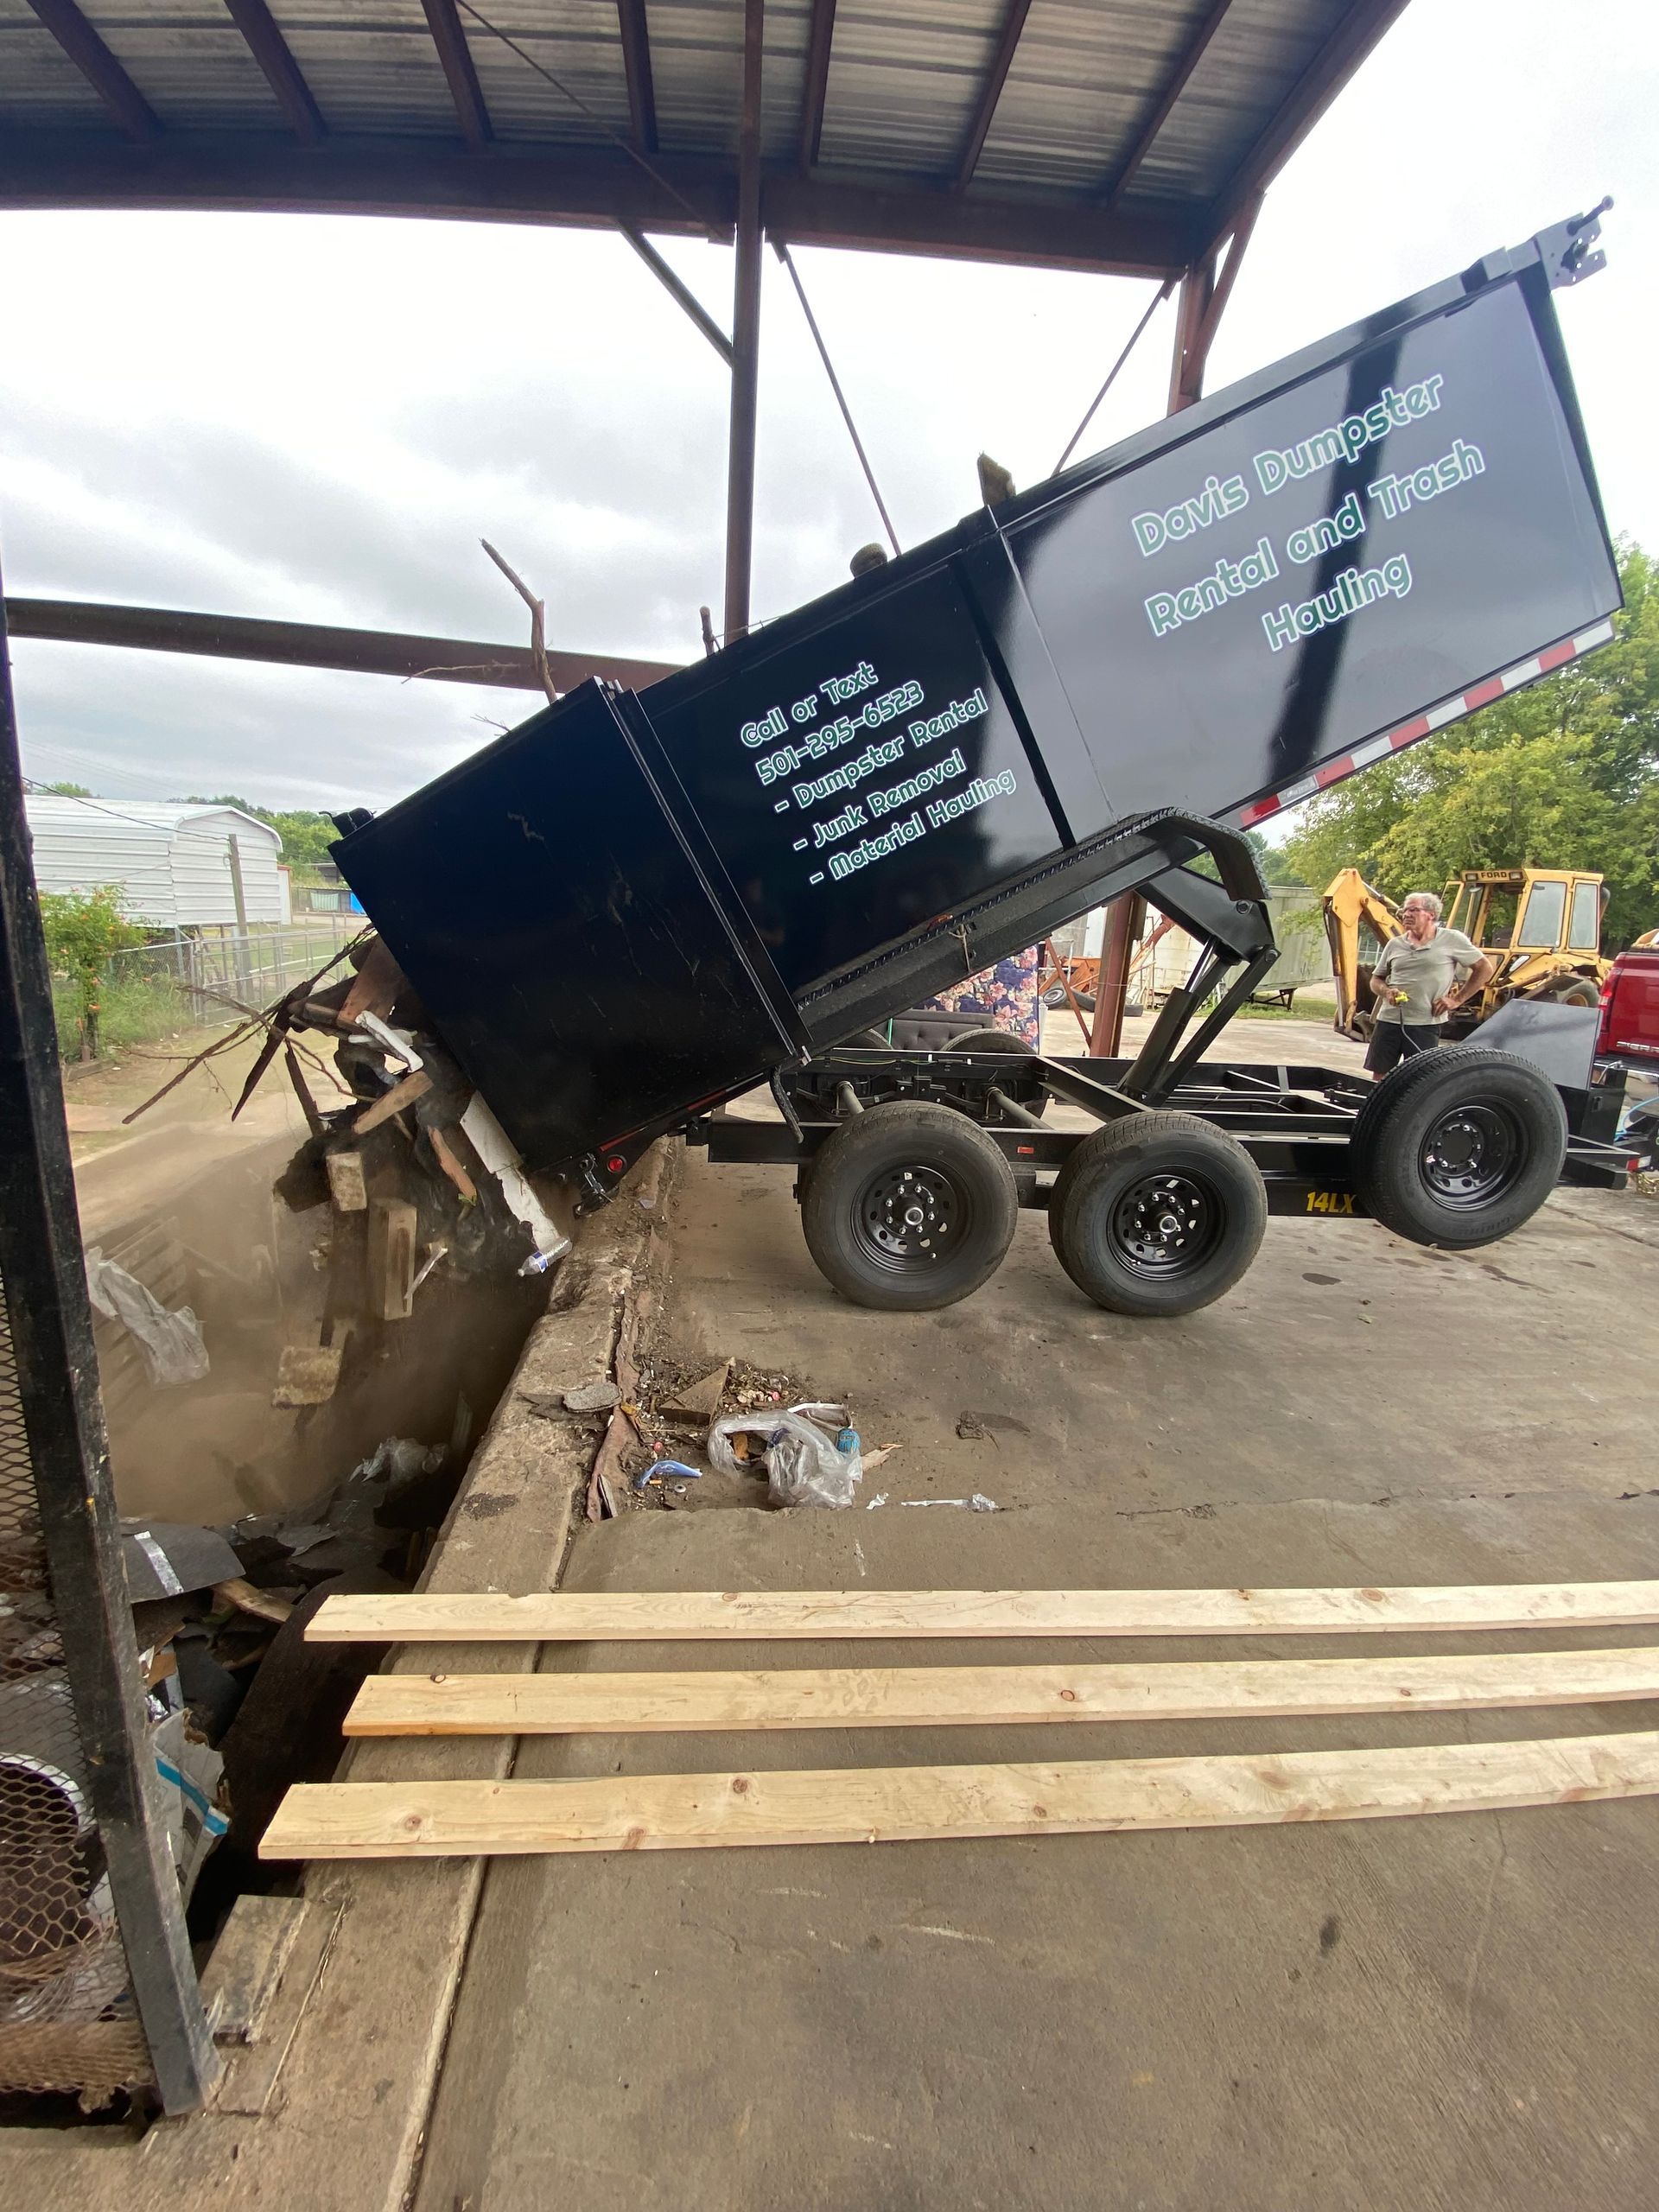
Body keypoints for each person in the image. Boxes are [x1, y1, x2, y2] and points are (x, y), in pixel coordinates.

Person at [1365, 890, 1495, 1076]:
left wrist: (1456, 1000)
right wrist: (1386, 991)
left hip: (1426, 1023)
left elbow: (1485, 969)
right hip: (1389, 1021)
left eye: (1413, 910)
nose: (1406, 914)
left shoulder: (1452, 939)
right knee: (1380, 1078)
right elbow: (1376, 980)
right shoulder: (1395, 944)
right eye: (1405, 910)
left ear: (1431, 914)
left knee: (1419, 1079)